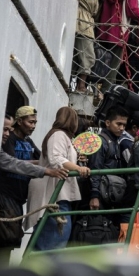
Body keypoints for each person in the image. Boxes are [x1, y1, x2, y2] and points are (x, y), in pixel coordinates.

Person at [0, 114, 68, 266]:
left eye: (8, 130)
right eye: (4, 129)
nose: (7, 134)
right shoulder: (6, 144)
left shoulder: (27, 142)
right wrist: (46, 171)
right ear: (20, 121)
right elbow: (11, 162)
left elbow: (40, 158)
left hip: (16, 199)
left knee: (9, 239)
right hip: (4, 196)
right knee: (3, 239)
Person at [25, 107, 91, 250]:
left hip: (57, 194)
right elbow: (56, 158)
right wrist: (78, 168)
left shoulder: (61, 136)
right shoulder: (59, 135)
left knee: (43, 240)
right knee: (54, 240)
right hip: (55, 195)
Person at [73, 0, 109, 93]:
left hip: (87, 22)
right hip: (81, 21)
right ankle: (81, 86)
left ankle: (79, 85)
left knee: (84, 56)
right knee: (88, 56)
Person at [88, 107, 129, 210]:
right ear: (107, 123)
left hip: (110, 191)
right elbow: (95, 168)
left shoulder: (116, 141)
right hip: (101, 192)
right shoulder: (101, 142)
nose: (122, 128)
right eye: (118, 124)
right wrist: (94, 195)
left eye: (124, 125)